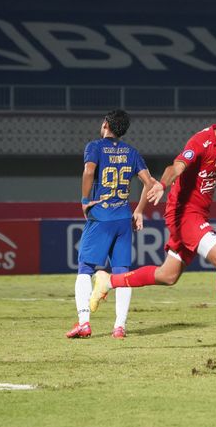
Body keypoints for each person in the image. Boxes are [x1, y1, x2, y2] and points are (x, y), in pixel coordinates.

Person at [90, 100, 216, 347]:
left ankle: (109, 281)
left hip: (197, 215)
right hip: (185, 214)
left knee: (168, 275)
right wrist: (161, 185)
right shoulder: (201, 142)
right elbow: (175, 167)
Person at [66, 109, 157, 340]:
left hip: (101, 216)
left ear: (106, 124)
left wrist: (85, 201)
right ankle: (119, 327)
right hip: (123, 218)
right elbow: (150, 183)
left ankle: (84, 323)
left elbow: (89, 172)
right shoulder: (132, 152)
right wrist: (138, 210)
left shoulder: (94, 147)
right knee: (122, 272)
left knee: (85, 268)